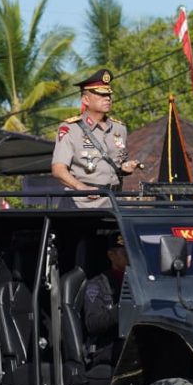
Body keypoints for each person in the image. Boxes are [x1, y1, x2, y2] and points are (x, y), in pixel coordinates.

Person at [51, 69, 139, 208]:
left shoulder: (119, 128)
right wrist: (81, 187)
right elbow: (58, 169)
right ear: (85, 99)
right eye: (101, 95)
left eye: (109, 95)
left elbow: (114, 165)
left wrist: (125, 168)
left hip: (114, 203)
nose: (108, 98)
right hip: (82, 204)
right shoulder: (71, 129)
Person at [82, 232, 129, 365]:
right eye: (125, 253)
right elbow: (93, 323)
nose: (130, 257)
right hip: (107, 346)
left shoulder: (139, 281)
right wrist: (122, 308)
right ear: (111, 256)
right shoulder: (97, 285)